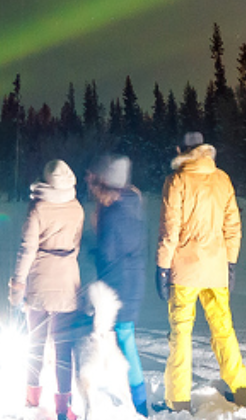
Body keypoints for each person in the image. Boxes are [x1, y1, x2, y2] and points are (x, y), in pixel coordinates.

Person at [157, 132, 246, 411]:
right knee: (224, 329)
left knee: (181, 335)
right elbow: (233, 227)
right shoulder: (222, 179)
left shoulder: (177, 181)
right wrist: (230, 263)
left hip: (184, 272)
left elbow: (169, 231)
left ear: (183, 150)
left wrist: (162, 266)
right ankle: (241, 391)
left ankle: (178, 400)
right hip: (216, 269)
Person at [11, 159, 85, 419]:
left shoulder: (37, 208)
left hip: (40, 282)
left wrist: (18, 283)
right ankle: (64, 409)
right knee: (64, 348)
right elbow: (76, 244)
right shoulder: (76, 207)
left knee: (35, 344)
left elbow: (27, 248)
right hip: (67, 281)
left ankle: (32, 399)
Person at [86, 154, 151, 416]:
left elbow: (108, 254)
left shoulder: (113, 212)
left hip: (118, 286)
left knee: (121, 340)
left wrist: (90, 247)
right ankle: (136, 400)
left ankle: (138, 404)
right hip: (132, 281)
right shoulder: (133, 203)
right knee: (124, 339)